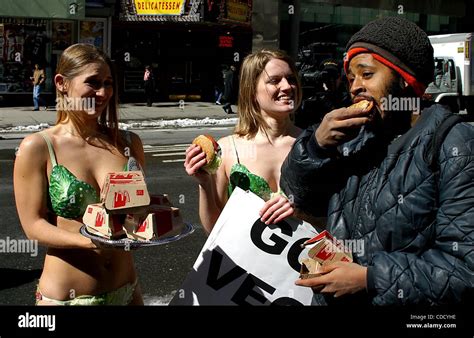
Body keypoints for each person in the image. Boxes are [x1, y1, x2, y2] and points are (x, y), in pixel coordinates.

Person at [280, 16, 474, 305]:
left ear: (406, 79)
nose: (355, 87)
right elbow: (301, 198)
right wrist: (316, 147)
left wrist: (369, 279)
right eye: (351, 78)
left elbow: (463, 271)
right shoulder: (355, 136)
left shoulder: (452, 142)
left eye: (367, 74)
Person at [14, 43, 145, 305]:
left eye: (108, 83)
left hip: (127, 291)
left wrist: (152, 217)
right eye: (93, 82)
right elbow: (34, 227)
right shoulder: (38, 147)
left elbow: (137, 211)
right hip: (66, 299)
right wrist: (89, 242)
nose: (103, 92)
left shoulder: (128, 142)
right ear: (62, 83)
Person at [184, 49, 302, 233]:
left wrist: (300, 208)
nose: (287, 86)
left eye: (291, 79)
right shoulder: (227, 150)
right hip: (244, 262)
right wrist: (204, 183)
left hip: (304, 260)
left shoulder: (314, 145)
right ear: (252, 91)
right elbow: (214, 230)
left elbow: (335, 217)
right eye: (275, 80)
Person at [295, 59, 351, 129]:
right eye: (326, 77)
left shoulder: (347, 98)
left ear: (340, 77)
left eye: (334, 76)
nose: (331, 80)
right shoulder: (314, 99)